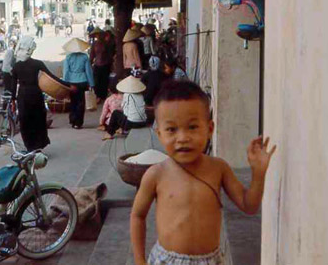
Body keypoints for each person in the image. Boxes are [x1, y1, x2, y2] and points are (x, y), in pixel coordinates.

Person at [130, 81, 277, 265]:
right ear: (159, 134)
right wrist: (139, 260)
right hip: (166, 261)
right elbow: (137, 215)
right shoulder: (156, 175)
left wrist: (258, 173)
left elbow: (249, 206)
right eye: (171, 129)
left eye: (192, 127)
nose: (183, 138)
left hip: (210, 261)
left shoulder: (218, 168)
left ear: (209, 129)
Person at [12, 36, 68, 151]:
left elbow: (12, 86)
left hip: (22, 96)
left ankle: (30, 147)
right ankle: (38, 145)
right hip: (35, 94)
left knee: (25, 121)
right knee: (37, 120)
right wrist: (67, 85)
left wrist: (13, 99)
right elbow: (52, 77)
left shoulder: (16, 66)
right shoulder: (37, 64)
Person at [62, 37, 95, 129]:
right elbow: (88, 71)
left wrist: (65, 83)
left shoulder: (68, 57)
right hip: (83, 82)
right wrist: (91, 83)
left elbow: (66, 72)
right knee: (81, 102)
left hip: (72, 82)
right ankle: (78, 122)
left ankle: (73, 120)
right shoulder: (85, 57)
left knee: (73, 102)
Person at [103, 76, 147, 140]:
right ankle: (120, 129)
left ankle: (109, 133)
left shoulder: (127, 95)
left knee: (115, 113)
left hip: (131, 124)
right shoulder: (141, 95)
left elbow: (125, 111)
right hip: (143, 122)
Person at [89, 27, 113, 104]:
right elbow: (92, 55)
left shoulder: (106, 43)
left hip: (106, 64)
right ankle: (98, 96)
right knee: (96, 81)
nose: (98, 36)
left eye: (99, 34)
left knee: (104, 81)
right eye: (97, 35)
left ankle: (103, 96)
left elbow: (110, 55)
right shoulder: (94, 44)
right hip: (97, 65)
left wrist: (111, 64)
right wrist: (89, 64)